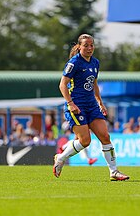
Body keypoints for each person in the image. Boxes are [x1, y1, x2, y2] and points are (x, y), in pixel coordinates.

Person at [53, 34, 129, 181]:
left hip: (92, 105)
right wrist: (71, 103)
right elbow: (62, 85)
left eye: (91, 45)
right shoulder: (74, 63)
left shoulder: (95, 63)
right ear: (79, 47)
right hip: (77, 105)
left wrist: (100, 102)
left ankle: (114, 172)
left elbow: (94, 84)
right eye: (86, 45)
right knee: (85, 141)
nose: (89, 48)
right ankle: (61, 158)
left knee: (105, 136)